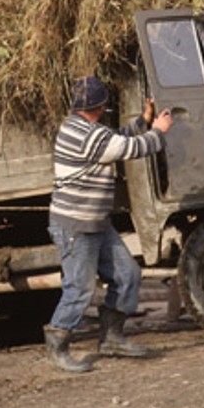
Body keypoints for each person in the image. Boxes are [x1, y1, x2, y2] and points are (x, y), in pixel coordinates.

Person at [43, 74, 174, 373]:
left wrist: (143, 121)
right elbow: (132, 148)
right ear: (101, 107)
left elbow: (118, 138)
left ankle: (112, 339)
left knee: (127, 275)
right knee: (79, 289)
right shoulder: (89, 136)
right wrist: (159, 132)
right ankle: (58, 345)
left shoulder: (81, 127)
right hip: (77, 225)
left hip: (96, 222)